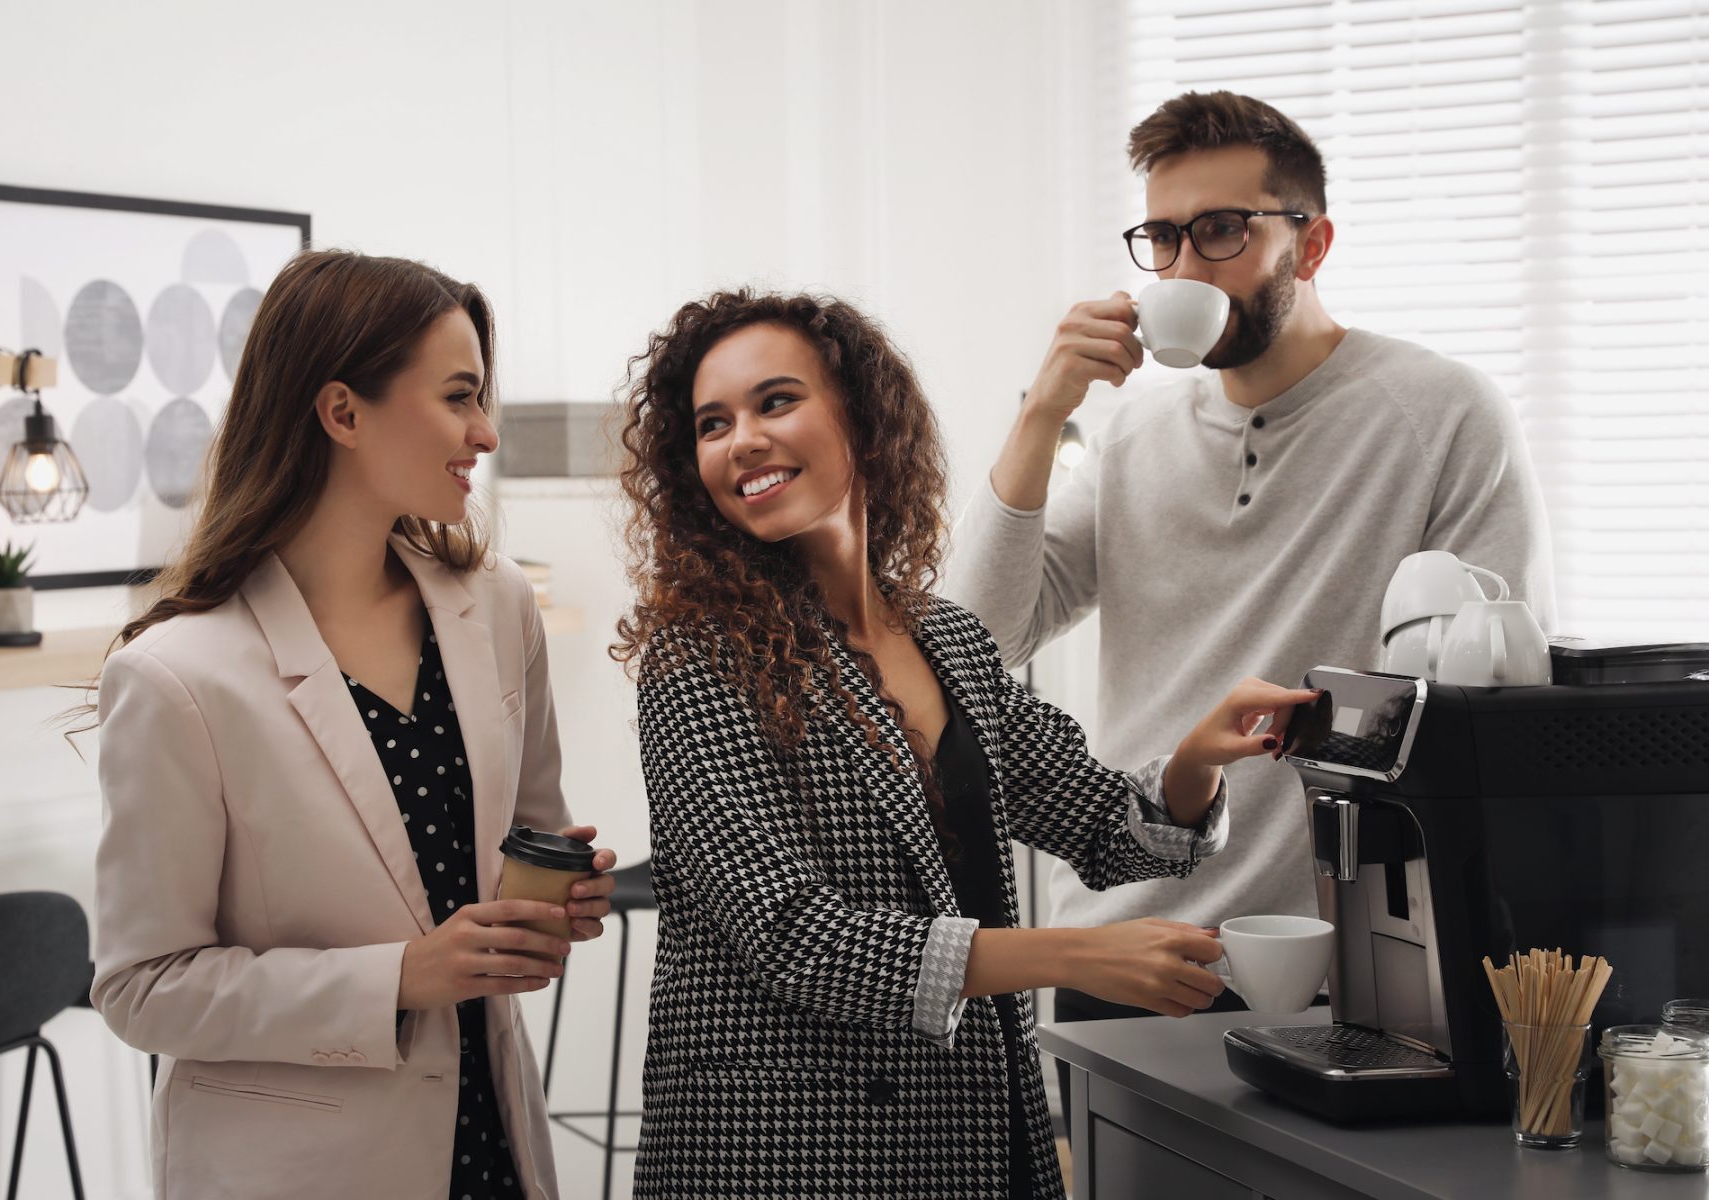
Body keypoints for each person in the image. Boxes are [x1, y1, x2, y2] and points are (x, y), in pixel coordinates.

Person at [612, 288, 1316, 1198]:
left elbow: (1106, 825)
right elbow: (792, 936)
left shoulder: (946, 638)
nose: (741, 437)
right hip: (790, 1152)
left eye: (775, 401)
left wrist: (1196, 759)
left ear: (864, 421)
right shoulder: (697, 660)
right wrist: (1072, 955)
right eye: (713, 423)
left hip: (976, 1119)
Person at [944, 90, 1556, 1110]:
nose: (1184, 267)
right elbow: (973, 640)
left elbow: (1498, 696)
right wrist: (1042, 416)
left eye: (1221, 231)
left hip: (1335, 963)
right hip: (1125, 944)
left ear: (1310, 246)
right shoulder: (1130, 431)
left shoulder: (1443, 414)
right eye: (1163, 237)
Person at [88, 249, 617, 1200]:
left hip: (491, 1138)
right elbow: (142, 986)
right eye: (459, 397)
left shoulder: (495, 606)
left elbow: (519, 841)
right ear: (342, 413)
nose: (486, 432)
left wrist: (550, 905)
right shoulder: (176, 678)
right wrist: (402, 977)